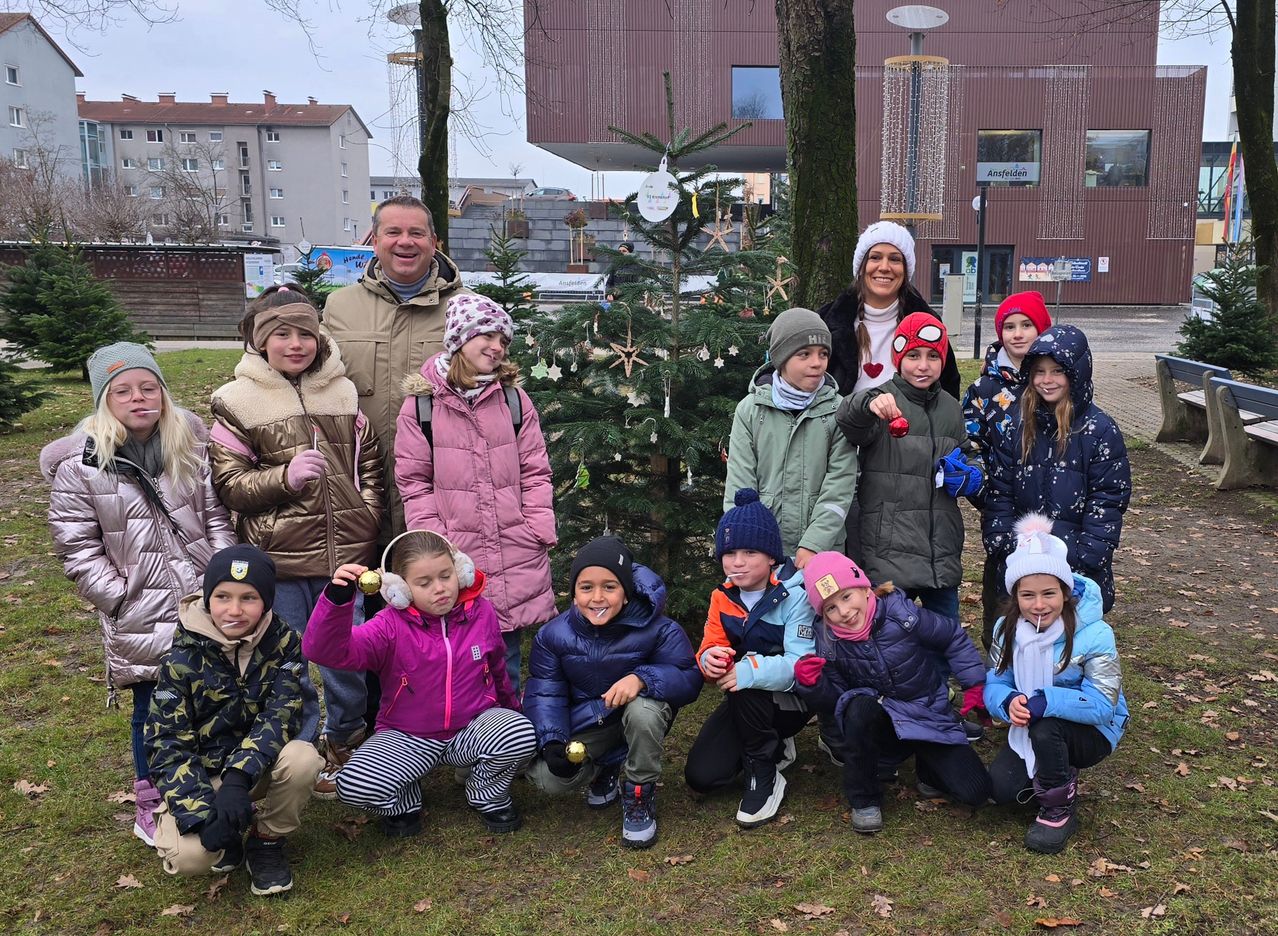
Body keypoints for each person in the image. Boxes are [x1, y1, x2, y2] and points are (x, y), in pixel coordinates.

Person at [41, 341, 235, 847]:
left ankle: (209, 782)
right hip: (141, 612)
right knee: (153, 708)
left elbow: (214, 513)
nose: (138, 398)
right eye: (122, 391)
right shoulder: (81, 468)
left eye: (149, 387)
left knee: (210, 698)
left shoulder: (187, 449)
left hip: (203, 601)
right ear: (103, 400)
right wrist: (119, 596)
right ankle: (151, 796)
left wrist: (225, 576)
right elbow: (77, 547)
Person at [209, 284, 383, 797]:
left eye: (304, 334)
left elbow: (369, 465)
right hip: (279, 560)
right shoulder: (237, 403)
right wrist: (285, 478)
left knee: (344, 655)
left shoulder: (344, 394)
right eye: (281, 334)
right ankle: (302, 745)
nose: (295, 344)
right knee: (287, 660)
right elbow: (229, 486)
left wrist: (367, 516)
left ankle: (349, 738)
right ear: (261, 342)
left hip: (344, 560)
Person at [303, 530, 538, 837]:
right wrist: (336, 601)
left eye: (446, 576)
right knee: (352, 785)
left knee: (519, 731)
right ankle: (404, 803)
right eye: (424, 583)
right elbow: (323, 651)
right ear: (399, 588)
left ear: (461, 571)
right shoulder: (388, 625)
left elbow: (497, 671)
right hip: (406, 736)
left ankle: (486, 792)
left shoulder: (481, 612)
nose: (440, 589)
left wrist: (513, 712)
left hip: (471, 728)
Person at [396, 293, 556, 691]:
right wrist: (436, 543)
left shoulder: (514, 401)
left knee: (508, 654)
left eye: (504, 339)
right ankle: (461, 734)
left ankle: (509, 735)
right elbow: (413, 482)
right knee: (455, 653)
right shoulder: (422, 407)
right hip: (455, 549)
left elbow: (536, 469)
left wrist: (537, 523)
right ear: (458, 339)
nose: (497, 346)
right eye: (487, 335)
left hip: (513, 542)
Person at [146, 545, 324, 896]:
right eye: (223, 596)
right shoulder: (179, 659)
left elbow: (282, 714)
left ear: (267, 602)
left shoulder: (285, 643)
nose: (235, 609)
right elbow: (167, 744)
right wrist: (198, 813)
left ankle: (267, 840)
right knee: (190, 857)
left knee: (303, 758)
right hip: (205, 775)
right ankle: (227, 840)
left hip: (257, 769)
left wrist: (239, 779)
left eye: (249, 597)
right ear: (208, 598)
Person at [794, 552, 991, 834]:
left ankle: (929, 766)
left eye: (847, 597)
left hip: (926, 713)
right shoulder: (829, 642)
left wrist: (974, 684)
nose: (844, 612)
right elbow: (836, 699)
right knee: (857, 706)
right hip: (880, 723)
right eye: (831, 608)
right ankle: (864, 798)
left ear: (864, 588)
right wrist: (813, 684)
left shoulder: (903, 615)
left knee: (976, 792)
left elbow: (951, 636)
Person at [523, 536, 701, 848]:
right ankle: (604, 768)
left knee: (643, 712)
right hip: (592, 722)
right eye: (586, 587)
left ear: (626, 593)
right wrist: (551, 740)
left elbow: (688, 677)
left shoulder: (660, 629)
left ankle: (638, 792)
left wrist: (641, 678)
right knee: (546, 778)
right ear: (574, 593)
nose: (597, 597)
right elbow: (546, 692)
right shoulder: (552, 635)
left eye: (609, 586)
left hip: (638, 714)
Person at [322, 195, 473, 535]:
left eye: (416, 233)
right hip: (359, 492)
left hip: (442, 495)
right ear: (374, 242)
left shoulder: (467, 311)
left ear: (434, 243)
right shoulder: (339, 307)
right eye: (393, 232)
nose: (405, 241)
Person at [983, 515, 1128, 854]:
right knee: (1003, 793)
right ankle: (1050, 768)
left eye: (1049, 593)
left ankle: (1059, 809)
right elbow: (994, 680)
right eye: (1027, 595)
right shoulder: (1006, 628)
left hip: (1094, 729)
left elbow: (1103, 702)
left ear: (1065, 592)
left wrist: (1046, 700)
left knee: (1047, 728)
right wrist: (1007, 702)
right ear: (1015, 596)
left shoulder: (1095, 633)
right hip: (1033, 723)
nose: (1038, 605)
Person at [835, 313, 982, 620]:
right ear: (898, 358)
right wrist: (869, 406)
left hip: (938, 549)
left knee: (945, 635)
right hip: (889, 549)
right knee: (889, 637)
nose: (923, 365)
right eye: (913, 356)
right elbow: (849, 418)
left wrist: (970, 473)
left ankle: (939, 671)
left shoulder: (950, 408)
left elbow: (965, 451)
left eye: (932, 356)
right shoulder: (884, 399)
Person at [685, 490, 815, 829]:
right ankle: (774, 746)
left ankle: (765, 774)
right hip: (746, 697)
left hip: (792, 702)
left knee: (745, 686)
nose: (737, 562)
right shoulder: (722, 596)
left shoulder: (795, 595)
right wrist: (709, 659)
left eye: (749, 552)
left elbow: (801, 667)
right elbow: (710, 645)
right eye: (729, 553)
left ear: (772, 556)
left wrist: (749, 670)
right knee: (703, 776)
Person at [983, 325, 1131, 613]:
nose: (1047, 380)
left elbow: (1108, 498)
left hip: (1076, 565)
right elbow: (1000, 490)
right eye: (1039, 371)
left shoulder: (1099, 430)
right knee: (1020, 644)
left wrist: (1086, 555)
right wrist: (1003, 543)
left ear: (1075, 374)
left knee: (1074, 648)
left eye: (1057, 371)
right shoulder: (1016, 426)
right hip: (1023, 560)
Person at [724, 307, 858, 569]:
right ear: (781, 358)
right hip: (762, 551)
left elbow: (840, 487)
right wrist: (747, 544)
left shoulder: (838, 411)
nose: (816, 363)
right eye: (804, 354)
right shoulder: (751, 410)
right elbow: (740, 484)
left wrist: (813, 545)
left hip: (823, 552)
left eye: (823, 354)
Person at [962, 291, 1053, 649]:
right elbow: (970, 444)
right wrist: (984, 489)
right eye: (1009, 327)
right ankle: (999, 652)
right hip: (1003, 507)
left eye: (1026, 325)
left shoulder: (1056, 380)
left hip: (1054, 505)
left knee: (1047, 586)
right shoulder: (984, 389)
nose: (1017, 334)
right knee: (1002, 586)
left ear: (1040, 328)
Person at [816, 220, 960, 400]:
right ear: (861, 266)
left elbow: (948, 391)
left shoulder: (929, 323)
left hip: (912, 427)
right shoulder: (825, 322)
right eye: (875, 257)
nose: (884, 267)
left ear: (906, 270)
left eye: (894, 259)